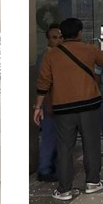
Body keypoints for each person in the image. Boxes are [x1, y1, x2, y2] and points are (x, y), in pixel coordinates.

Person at [34, 17, 103, 201]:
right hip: (89, 105)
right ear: (79, 33)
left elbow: (43, 82)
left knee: (64, 148)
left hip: (63, 109)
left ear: (62, 34)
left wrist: (38, 107)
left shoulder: (51, 55)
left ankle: (64, 190)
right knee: (91, 145)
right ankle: (93, 182)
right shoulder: (89, 50)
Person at [34, 24, 63, 181]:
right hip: (49, 103)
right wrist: (43, 104)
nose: (57, 40)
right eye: (54, 37)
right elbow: (44, 83)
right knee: (49, 138)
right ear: (47, 39)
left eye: (59, 37)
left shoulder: (59, 55)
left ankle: (50, 165)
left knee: (58, 138)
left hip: (59, 102)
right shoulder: (45, 57)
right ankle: (44, 169)